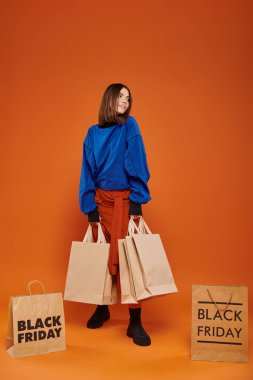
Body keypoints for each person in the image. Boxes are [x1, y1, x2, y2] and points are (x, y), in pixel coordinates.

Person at [79, 83, 152, 346]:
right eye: (120, 96)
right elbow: (87, 172)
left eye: (128, 97)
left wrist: (136, 203)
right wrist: (90, 209)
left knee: (131, 261)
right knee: (100, 260)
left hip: (125, 202)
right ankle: (103, 307)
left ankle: (135, 321)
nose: (125, 100)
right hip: (101, 203)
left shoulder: (129, 126)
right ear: (109, 98)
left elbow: (138, 162)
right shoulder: (92, 134)